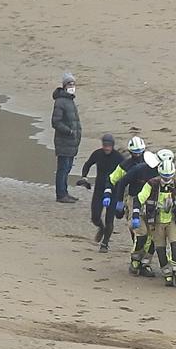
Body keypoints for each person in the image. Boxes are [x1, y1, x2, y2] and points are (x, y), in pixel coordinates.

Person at [135, 159, 176, 287]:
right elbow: (139, 199)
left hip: (172, 220)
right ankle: (167, 274)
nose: (167, 179)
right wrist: (136, 214)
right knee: (160, 248)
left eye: (169, 176)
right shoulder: (151, 184)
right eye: (164, 177)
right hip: (156, 222)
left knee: (175, 245)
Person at [113, 150, 164, 274]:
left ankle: (146, 264)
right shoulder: (139, 170)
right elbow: (122, 182)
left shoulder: (165, 176)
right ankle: (135, 261)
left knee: (154, 236)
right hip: (135, 200)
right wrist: (119, 202)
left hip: (153, 204)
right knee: (141, 233)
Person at [79, 134, 124, 251]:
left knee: (110, 218)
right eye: (105, 145)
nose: (107, 148)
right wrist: (84, 177)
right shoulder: (97, 154)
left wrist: (123, 193)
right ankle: (101, 227)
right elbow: (87, 164)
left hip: (114, 190)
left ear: (113, 146)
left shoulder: (119, 157)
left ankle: (105, 243)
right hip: (99, 189)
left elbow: (126, 173)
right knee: (95, 217)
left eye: (109, 146)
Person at [51, 72, 82, 203]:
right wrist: (69, 131)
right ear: (64, 86)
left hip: (71, 142)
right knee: (63, 168)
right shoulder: (60, 102)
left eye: (73, 84)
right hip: (64, 141)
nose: (72, 86)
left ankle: (65, 192)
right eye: (70, 84)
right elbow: (55, 122)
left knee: (67, 168)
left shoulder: (70, 101)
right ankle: (61, 194)